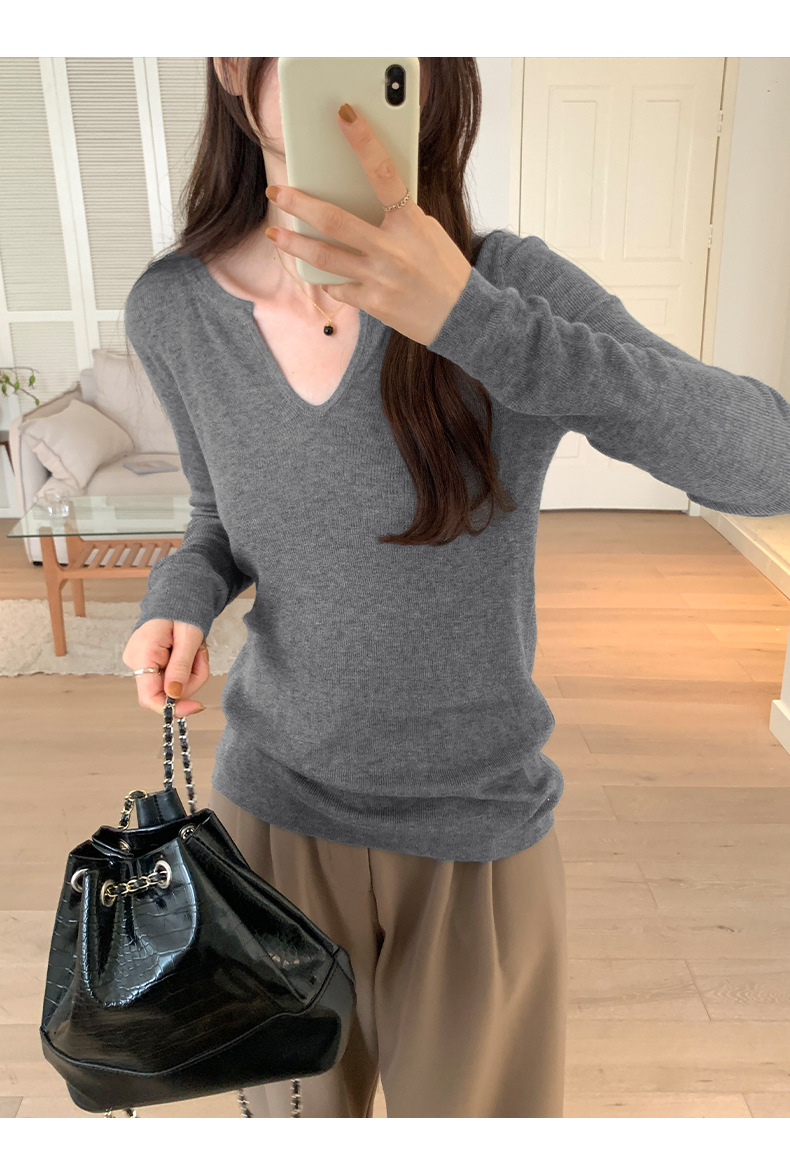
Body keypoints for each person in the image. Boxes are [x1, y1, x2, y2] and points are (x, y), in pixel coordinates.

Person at [121, 58, 790, 1119]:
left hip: (477, 837)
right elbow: (217, 519)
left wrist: (471, 318)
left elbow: (765, 464)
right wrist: (179, 598)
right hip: (272, 825)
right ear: (230, 60)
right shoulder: (173, 309)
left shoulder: (506, 286)